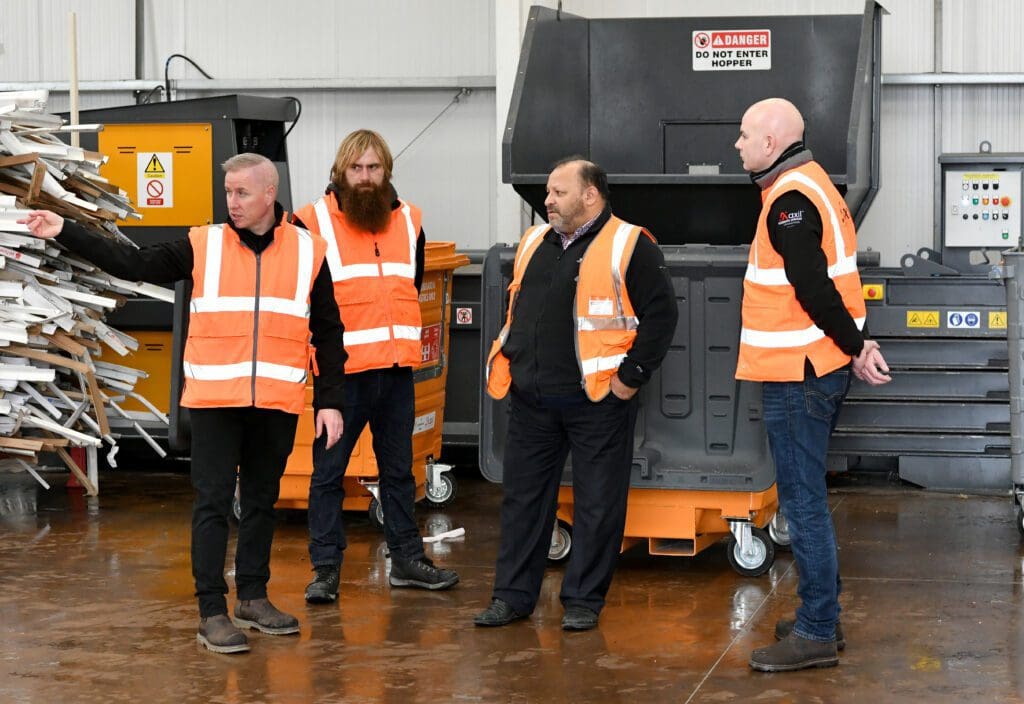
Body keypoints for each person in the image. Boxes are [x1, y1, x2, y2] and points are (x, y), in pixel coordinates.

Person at [19, 153, 347, 655]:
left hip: (277, 400)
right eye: (228, 192)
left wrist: (331, 401)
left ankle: (253, 597)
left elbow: (328, 330)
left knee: (261, 501)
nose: (231, 202)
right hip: (215, 400)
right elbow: (132, 261)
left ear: (269, 193)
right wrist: (64, 228)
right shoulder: (204, 244)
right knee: (213, 502)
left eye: (241, 193)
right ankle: (212, 611)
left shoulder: (309, 251)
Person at [474, 157, 678, 631]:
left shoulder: (630, 244)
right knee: (523, 500)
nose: (547, 200)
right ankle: (511, 597)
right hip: (532, 400)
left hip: (598, 402)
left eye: (558, 192)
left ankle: (584, 600)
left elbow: (662, 317)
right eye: (547, 192)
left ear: (591, 195)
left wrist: (629, 379)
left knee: (598, 503)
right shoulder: (533, 242)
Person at [733, 98, 891, 672]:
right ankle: (821, 612)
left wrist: (853, 347)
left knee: (803, 504)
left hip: (799, 374)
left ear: (772, 142)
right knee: (806, 501)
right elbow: (840, 283)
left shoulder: (789, 199)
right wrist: (857, 346)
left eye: (746, 134)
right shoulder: (816, 184)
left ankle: (817, 629)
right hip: (816, 366)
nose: (739, 144)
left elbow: (814, 287)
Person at [292, 129, 458, 602]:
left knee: (398, 472)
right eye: (356, 169)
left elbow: (414, 280)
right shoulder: (311, 222)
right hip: (341, 379)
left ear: (387, 172)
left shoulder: (408, 222)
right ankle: (325, 570)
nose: (365, 178)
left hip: (396, 372)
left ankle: (407, 560)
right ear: (340, 173)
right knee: (328, 475)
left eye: (374, 168)